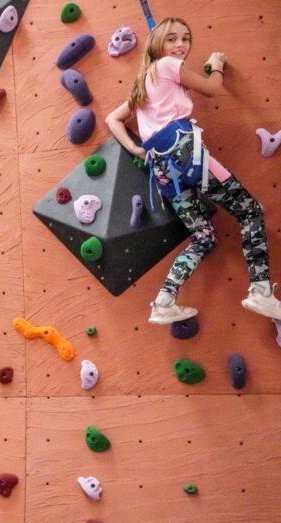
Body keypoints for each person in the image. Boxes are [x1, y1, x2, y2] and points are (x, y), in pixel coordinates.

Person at [105, 17, 281, 325]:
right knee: (249, 211)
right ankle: (261, 290)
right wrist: (216, 64)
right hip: (190, 158)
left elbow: (112, 119)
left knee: (203, 237)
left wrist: (137, 149)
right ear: (157, 43)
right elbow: (212, 88)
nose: (181, 45)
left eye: (185, 39)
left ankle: (164, 301)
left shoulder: (142, 85)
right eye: (172, 38)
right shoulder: (166, 66)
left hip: (163, 171)